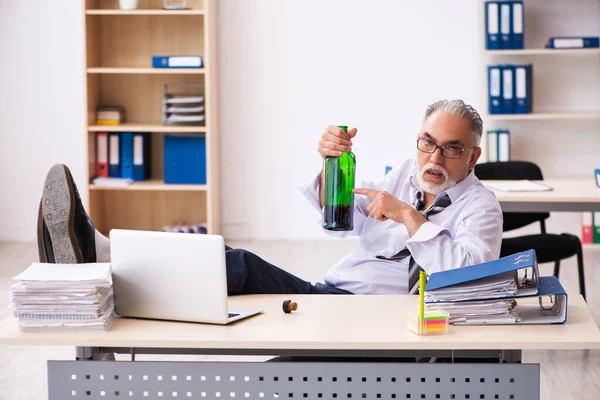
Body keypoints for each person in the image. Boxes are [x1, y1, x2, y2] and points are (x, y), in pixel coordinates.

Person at [37, 99, 502, 295]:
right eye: (427, 141)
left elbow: (472, 277)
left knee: (238, 265)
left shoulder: (481, 209)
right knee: (218, 262)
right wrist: (330, 165)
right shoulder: (406, 172)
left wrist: (409, 216)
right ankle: (103, 257)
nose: (434, 157)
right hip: (337, 292)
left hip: (380, 316)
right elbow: (345, 221)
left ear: (474, 155)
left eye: (451, 148)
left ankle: (101, 258)